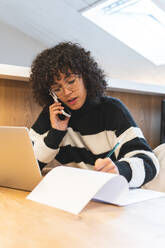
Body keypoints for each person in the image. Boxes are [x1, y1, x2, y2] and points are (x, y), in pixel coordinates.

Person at [29, 41, 159, 188]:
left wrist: (119, 170)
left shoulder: (112, 110)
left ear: (86, 76)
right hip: (75, 195)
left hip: (112, 194)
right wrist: (55, 134)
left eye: (71, 81)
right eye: (57, 89)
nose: (66, 92)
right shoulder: (53, 114)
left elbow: (149, 162)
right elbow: (27, 166)